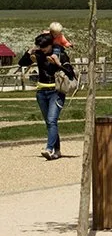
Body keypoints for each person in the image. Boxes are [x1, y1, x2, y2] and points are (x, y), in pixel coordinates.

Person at [18, 32, 76, 160]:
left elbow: (71, 73)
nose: (42, 49)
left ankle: (49, 149)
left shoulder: (61, 55)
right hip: (41, 92)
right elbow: (21, 63)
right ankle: (57, 151)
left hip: (56, 92)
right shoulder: (38, 54)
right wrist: (29, 52)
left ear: (51, 45)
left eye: (44, 46)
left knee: (51, 120)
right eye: (40, 46)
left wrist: (58, 63)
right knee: (50, 123)